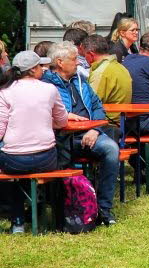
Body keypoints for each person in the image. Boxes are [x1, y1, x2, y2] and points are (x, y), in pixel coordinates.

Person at [42, 42, 121, 226]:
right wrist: (66, 117)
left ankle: (103, 209)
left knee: (111, 149)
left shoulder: (81, 81)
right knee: (62, 159)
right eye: (74, 58)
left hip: (89, 135)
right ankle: (67, 212)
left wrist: (95, 129)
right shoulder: (46, 85)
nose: (79, 62)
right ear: (60, 62)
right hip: (61, 139)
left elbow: (97, 106)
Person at [0, 51, 67, 233]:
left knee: (15, 177)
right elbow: (62, 122)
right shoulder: (50, 89)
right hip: (45, 158)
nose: (44, 70)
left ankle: (18, 222)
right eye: (40, 66)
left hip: (14, 160)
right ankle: (49, 216)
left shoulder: (5, 92)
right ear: (33, 70)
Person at [82, 34, 132, 122]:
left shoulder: (100, 73)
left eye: (84, 55)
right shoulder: (120, 67)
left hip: (107, 125)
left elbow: (89, 105)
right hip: (122, 122)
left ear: (91, 54)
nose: (84, 59)